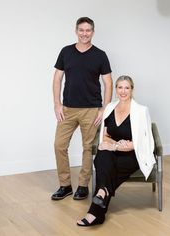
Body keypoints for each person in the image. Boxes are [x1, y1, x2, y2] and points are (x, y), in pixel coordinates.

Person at [77, 75, 156, 226]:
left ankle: (96, 209)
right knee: (103, 154)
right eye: (120, 87)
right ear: (116, 90)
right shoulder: (109, 108)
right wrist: (115, 145)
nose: (123, 91)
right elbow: (105, 136)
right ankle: (102, 196)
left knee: (105, 166)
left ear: (132, 90)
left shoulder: (140, 110)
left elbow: (142, 142)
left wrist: (116, 146)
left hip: (132, 156)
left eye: (127, 87)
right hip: (114, 152)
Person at [51, 17, 113, 201]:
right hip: (68, 109)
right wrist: (57, 104)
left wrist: (104, 109)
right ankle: (65, 185)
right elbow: (57, 78)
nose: (84, 33)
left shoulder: (100, 55)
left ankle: (83, 186)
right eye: (81, 30)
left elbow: (108, 83)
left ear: (93, 32)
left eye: (88, 30)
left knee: (88, 148)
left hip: (91, 110)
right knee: (59, 145)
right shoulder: (66, 52)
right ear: (76, 31)